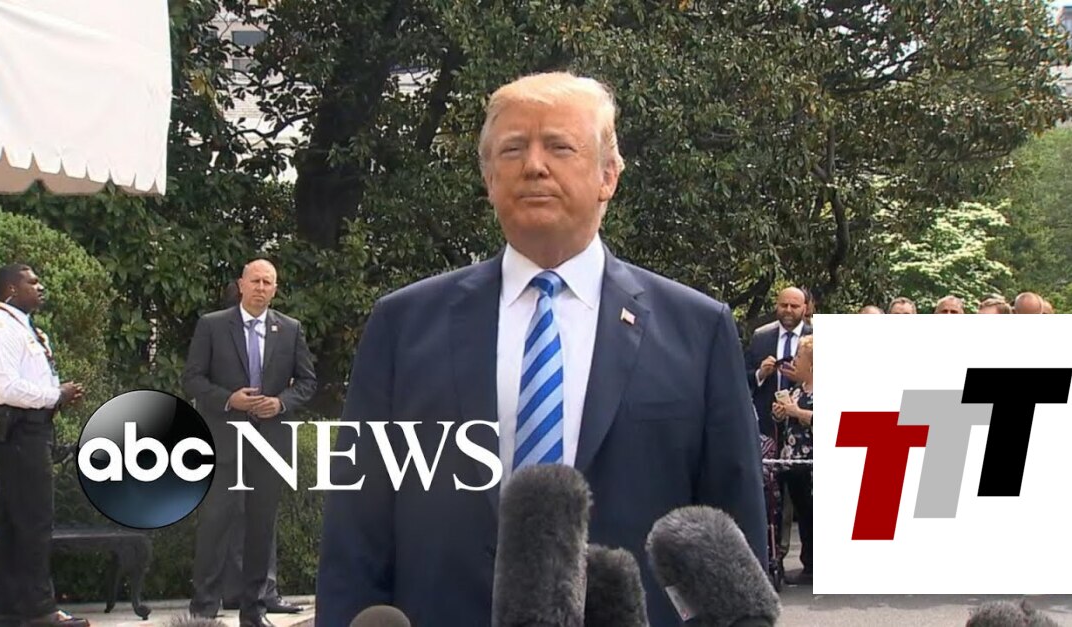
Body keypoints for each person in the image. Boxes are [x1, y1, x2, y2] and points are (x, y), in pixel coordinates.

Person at [315, 72, 767, 627]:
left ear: (608, 175)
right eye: (512, 149)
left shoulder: (697, 329)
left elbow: (734, 538)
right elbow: (355, 528)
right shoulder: (404, 325)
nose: (533, 165)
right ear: (488, 179)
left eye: (559, 146)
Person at [183, 259, 317, 627]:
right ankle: (204, 610)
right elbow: (192, 378)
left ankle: (254, 611)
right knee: (214, 525)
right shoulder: (212, 325)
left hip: (268, 444)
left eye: (268, 283)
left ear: (275, 289)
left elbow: (308, 381)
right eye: (255, 281)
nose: (261, 288)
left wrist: (281, 403)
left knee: (261, 529)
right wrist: (230, 399)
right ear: (241, 285)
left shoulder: (289, 329)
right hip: (224, 442)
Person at [0, 264, 89, 627]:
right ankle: (39, 609)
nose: (40, 287)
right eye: (32, 282)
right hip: (17, 432)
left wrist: (55, 396)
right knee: (34, 521)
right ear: (11, 288)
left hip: (33, 429)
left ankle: (6, 610)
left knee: (15, 522)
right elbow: (4, 388)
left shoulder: (23, 327)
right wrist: (54, 394)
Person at [211, 280, 294, 615]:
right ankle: (240, 590)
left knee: (259, 516)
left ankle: (261, 591)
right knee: (232, 514)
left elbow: (297, 380)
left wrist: (279, 401)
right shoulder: (217, 336)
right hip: (228, 436)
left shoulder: (279, 334)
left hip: (266, 434)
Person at [771, 334, 814, 585]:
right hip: (792, 462)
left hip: (812, 462)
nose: (794, 360)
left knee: (815, 514)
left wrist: (797, 412)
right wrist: (781, 413)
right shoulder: (798, 389)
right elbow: (787, 420)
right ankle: (808, 563)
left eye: (799, 356)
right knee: (803, 514)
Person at [744, 286, 812, 439]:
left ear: (804, 308)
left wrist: (802, 378)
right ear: (777, 305)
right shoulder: (761, 336)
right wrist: (760, 374)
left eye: (794, 306)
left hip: (803, 428)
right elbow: (742, 377)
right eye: (783, 305)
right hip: (767, 425)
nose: (788, 310)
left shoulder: (815, 336)